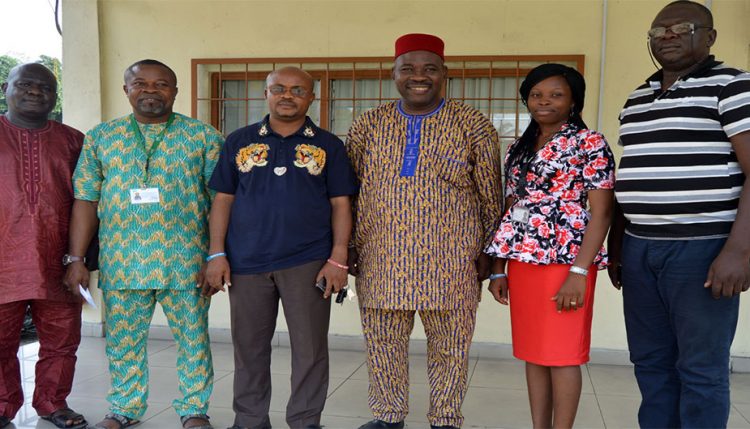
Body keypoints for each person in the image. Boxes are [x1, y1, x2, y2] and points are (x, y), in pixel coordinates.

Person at [346, 33, 503, 429]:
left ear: (444, 74)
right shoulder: (369, 124)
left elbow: (490, 195)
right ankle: (388, 416)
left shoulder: (474, 125)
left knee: (451, 348)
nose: (419, 77)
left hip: (452, 260)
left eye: (429, 69)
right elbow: (348, 191)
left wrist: (490, 251)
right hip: (381, 256)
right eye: (409, 69)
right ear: (394, 73)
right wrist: (346, 245)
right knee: (383, 344)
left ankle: (446, 418)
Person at [608, 1, 750, 427]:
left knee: (700, 369)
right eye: (658, 30)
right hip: (639, 250)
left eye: (681, 27)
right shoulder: (637, 97)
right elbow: (631, 176)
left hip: (703, 251)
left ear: (709, 37)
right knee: (651, 362)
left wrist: (739, 252)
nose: (667, 36)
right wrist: (618, 248)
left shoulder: (733, 87)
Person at [63, 59, 224, 429]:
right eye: (140, 83)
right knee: (123, 343)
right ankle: (124, 408)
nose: (151, 90)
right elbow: (85, 199)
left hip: (186, 261)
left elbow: (221, 200)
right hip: (123, 261)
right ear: (126, 90)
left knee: (194, 342)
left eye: (161, 84)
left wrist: (216, 254)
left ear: (175, 91)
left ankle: (194, 409)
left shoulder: (203, 136)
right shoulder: (102, 137)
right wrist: (76, 258)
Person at [204, 66, 357, 429]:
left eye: (297, 90)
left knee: (310, 350)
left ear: (311, 97)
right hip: (246, 261)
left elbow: (341, 204)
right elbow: (222, 199)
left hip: (308, 261)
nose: (287, 95)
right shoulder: (239, 141)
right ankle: (250, 420)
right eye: (279, 89)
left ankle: (305, 421)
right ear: (266, 93)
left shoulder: (328, 145)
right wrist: (216, 253)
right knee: (249, 348)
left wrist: (338, 258)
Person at [484, 63, 615, 428]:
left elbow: (602, 213)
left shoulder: (589, 142)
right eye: (537, 95)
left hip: (567, 261)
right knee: (534, 352)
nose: (544, 102)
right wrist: (498, 268)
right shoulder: (517, 147)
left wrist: (578, 273)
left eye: (556, 94)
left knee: (562, 354)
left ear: (573, 101)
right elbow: (509, 210)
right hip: (523, 260)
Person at [0, 63, 88, 429]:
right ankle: (3, 406)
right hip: (4, 263)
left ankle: (53, 402)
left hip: (59, 259)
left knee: (62, 339)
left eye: (46, 87)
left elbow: (89, 200)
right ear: (7, 87)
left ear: (55, 95)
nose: (36, 92)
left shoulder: (73, 140)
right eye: (26, 85)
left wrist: (80, 258)